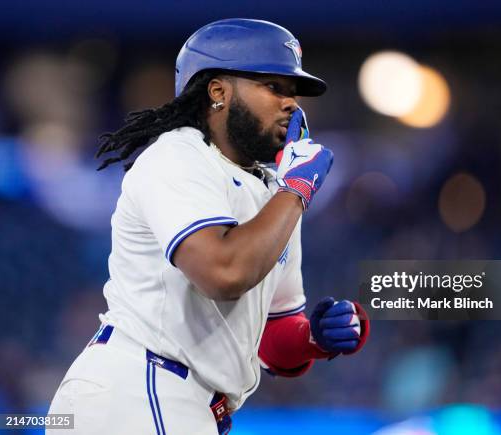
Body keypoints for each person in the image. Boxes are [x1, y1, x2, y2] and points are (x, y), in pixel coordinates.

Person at [47, 18, 369, 434]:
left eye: (293, 93)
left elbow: (273, 340)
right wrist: (298, 190)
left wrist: (316, 339)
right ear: (218, 92)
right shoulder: (178, 157)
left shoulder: (275, 193)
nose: (291, 104)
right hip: (139, 388)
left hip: (177, 400)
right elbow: (224, 272)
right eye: (274, 87)